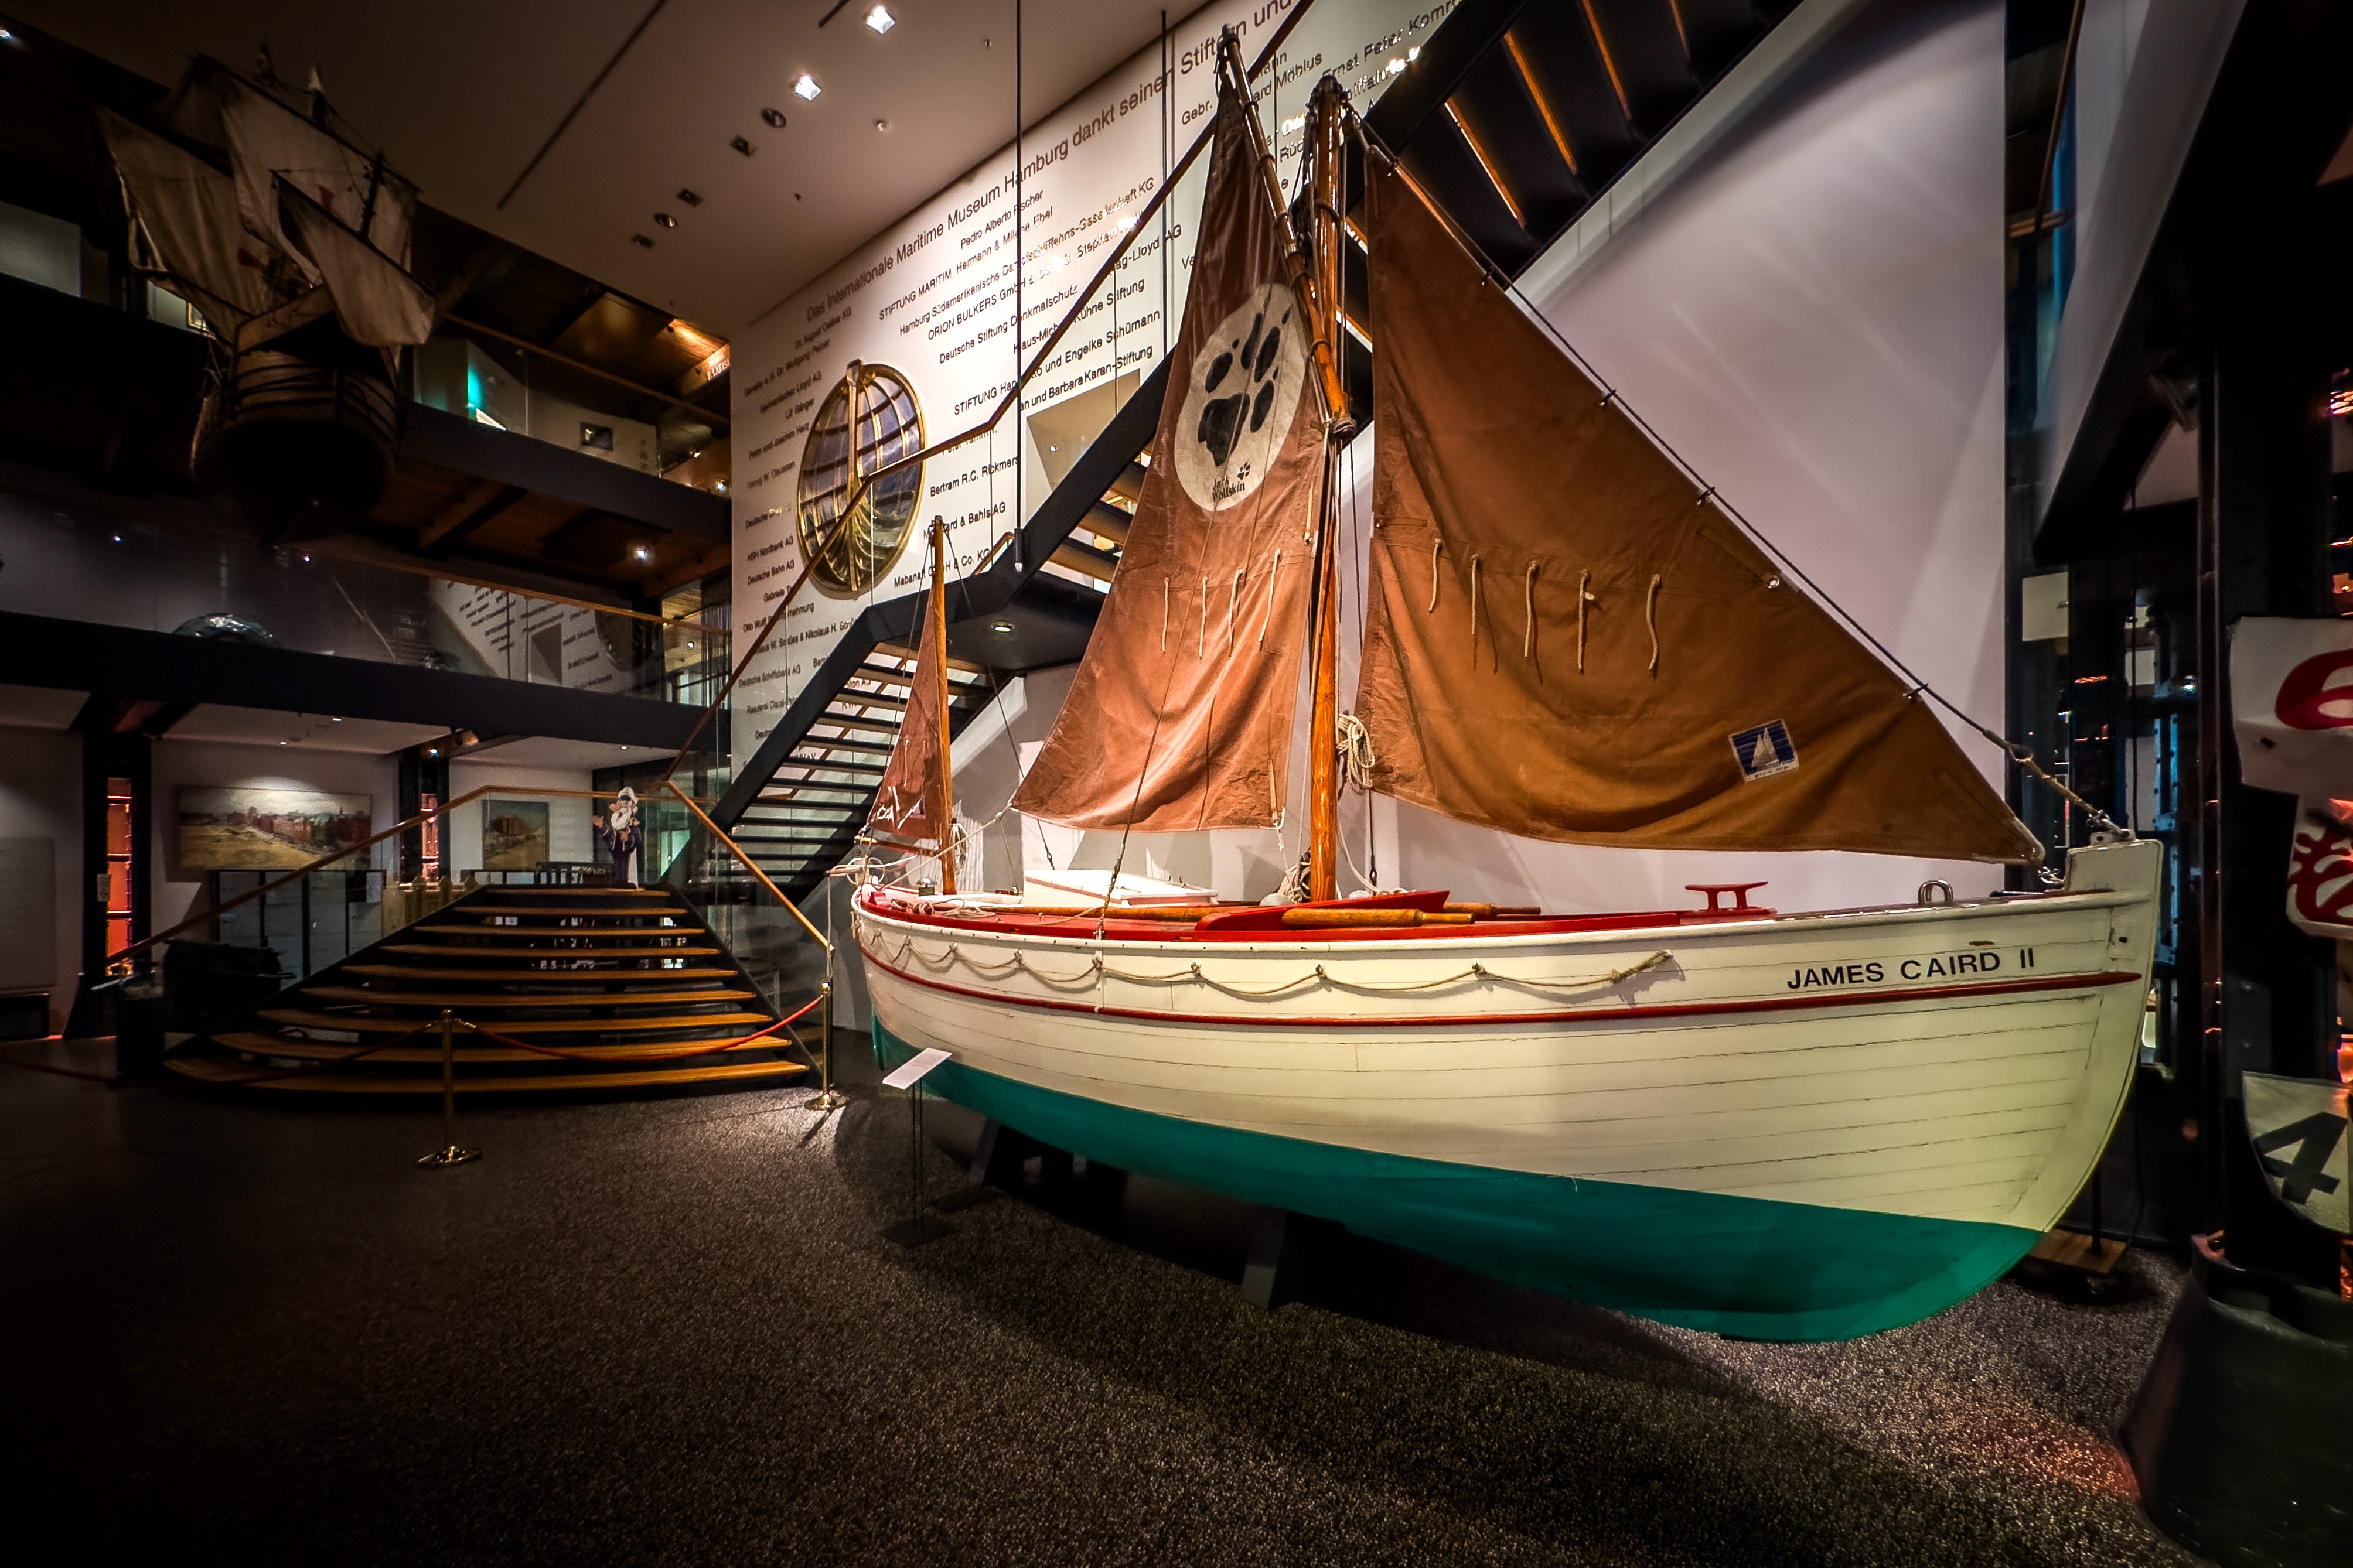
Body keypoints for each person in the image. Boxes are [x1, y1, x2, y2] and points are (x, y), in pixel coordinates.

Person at [592, 785, 643, 887]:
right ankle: (618, 881)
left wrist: (628, 838)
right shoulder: (617, 822)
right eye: (621, 800)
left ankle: (624, 881)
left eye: (627, 800)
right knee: (617, 866)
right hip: (616, 850)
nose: (623, 803)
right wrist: (602, 827)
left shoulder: (633, 822)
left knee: (625, 865)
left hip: (628, 851)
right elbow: (610, 836)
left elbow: (637, 838)